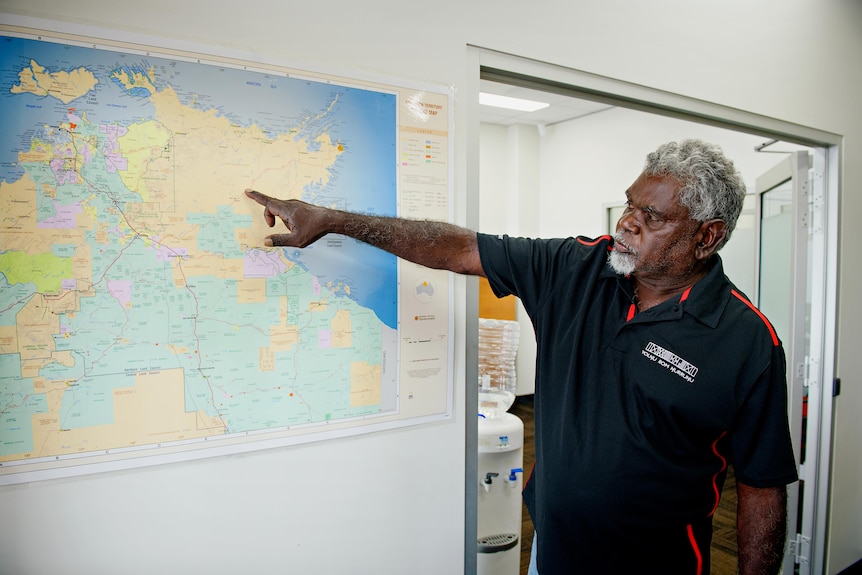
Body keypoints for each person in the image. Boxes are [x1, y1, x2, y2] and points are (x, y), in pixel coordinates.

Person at [244, 139, 798, 574]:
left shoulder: (747, 340)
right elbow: (458, 248)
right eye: (629, 206)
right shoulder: (578, 267)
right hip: (550, 556)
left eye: (651, 217)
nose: (626, 223)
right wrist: (334, 220)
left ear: (708, 237)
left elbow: (761, 485)